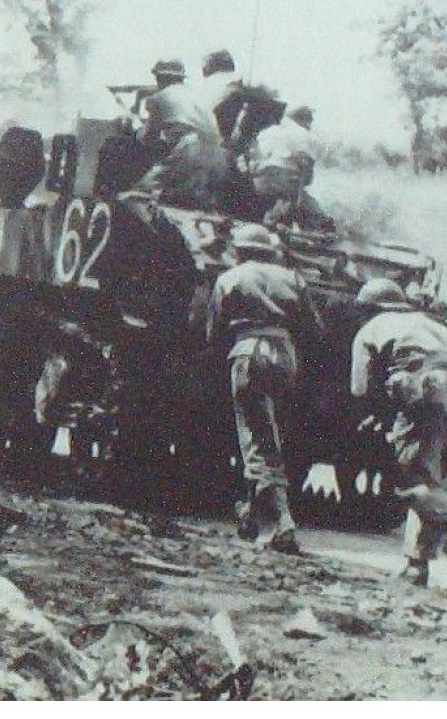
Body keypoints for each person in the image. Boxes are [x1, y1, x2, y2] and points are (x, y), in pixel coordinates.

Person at [350, 278, 447, 587]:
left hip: (427, 388)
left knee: (411, 480)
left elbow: (360, 389)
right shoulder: (428, 322)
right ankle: (417, 565)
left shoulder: (371, 328)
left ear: (369, 308)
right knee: (434, 483)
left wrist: (379, 418)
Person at [206, 222, 321, 554]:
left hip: (249, 351)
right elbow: (314, 327)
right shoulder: (293, 277)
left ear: (240, 251)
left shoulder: (231, 277)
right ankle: (253, 516)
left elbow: (212, 333)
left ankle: (281, 524)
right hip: (287, 356)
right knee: (272, 436)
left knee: (257, 440)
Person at [135, 58, 231, 208]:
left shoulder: (159, 97)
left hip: (190, 151)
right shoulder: (199, 97)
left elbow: (148, 138)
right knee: (192, 205)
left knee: (140, 193)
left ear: (161, 78)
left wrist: (137, 130)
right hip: (219, 157)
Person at [246, 105, 325, 228]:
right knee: (309, 211)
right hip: (285, 184)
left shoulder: (268, 131)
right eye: (310, 119)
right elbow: (308, 172)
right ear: (304, 119)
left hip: (259, 183)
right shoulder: (305, 135)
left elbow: (253, 158)